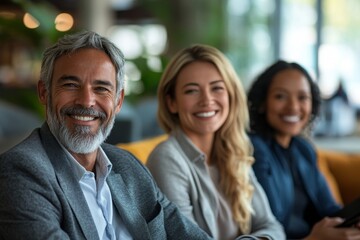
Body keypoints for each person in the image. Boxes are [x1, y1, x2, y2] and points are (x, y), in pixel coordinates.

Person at [0, 31, 213, 240]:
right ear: (44, 92)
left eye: (101, 88)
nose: (86, 101)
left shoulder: (128, 166)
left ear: (118, 101)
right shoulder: (20, 171)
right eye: (71, 85)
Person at [146, 44, 285, 240]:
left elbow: (273, 227)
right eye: (192, 91)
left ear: (230, 95)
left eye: (217, 88)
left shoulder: (234, 151)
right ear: (172, 102)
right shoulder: (167, 159)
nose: (207, 100)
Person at [247, 60, 360, 239]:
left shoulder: (304, 149)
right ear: (262, 103)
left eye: (302, 97)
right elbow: (269, 228)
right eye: (280, 96)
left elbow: (330, 209)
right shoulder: (253, 150)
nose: (293, 107)